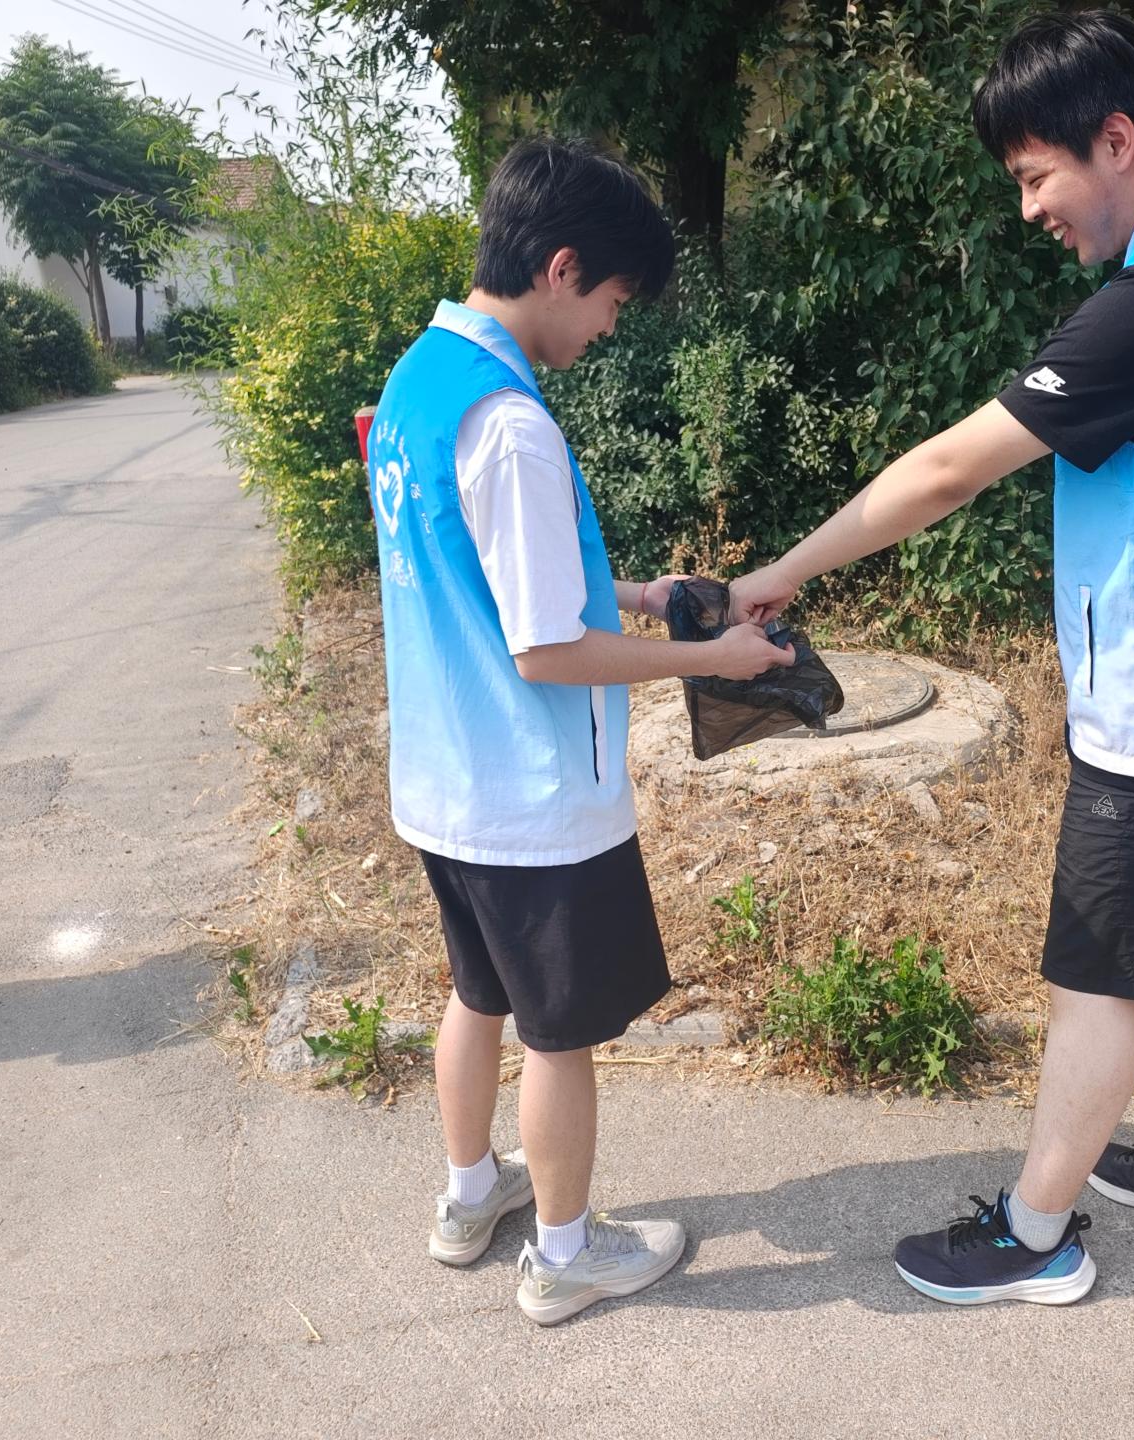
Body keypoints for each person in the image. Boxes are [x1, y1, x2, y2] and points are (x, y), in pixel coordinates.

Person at [730, 10, 1134, 1306]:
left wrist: (786, 572)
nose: (1029, 209)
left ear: (1116, 141)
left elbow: (950, 469)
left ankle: (1035, 1235)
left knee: (1094, 977)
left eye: (1035, 175)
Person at [367, 136, 793, 1326]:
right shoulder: (510, 424)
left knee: (477, 995)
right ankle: (564, 1256)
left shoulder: (419, 382)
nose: (610, 325)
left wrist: (644, 597)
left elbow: (488, 581)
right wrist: (712, 657)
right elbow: (546, 650)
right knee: (558, 1037)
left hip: (447, 782)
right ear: (561, 269)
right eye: (611, 300)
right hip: (531, 796)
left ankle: (471, 1196)